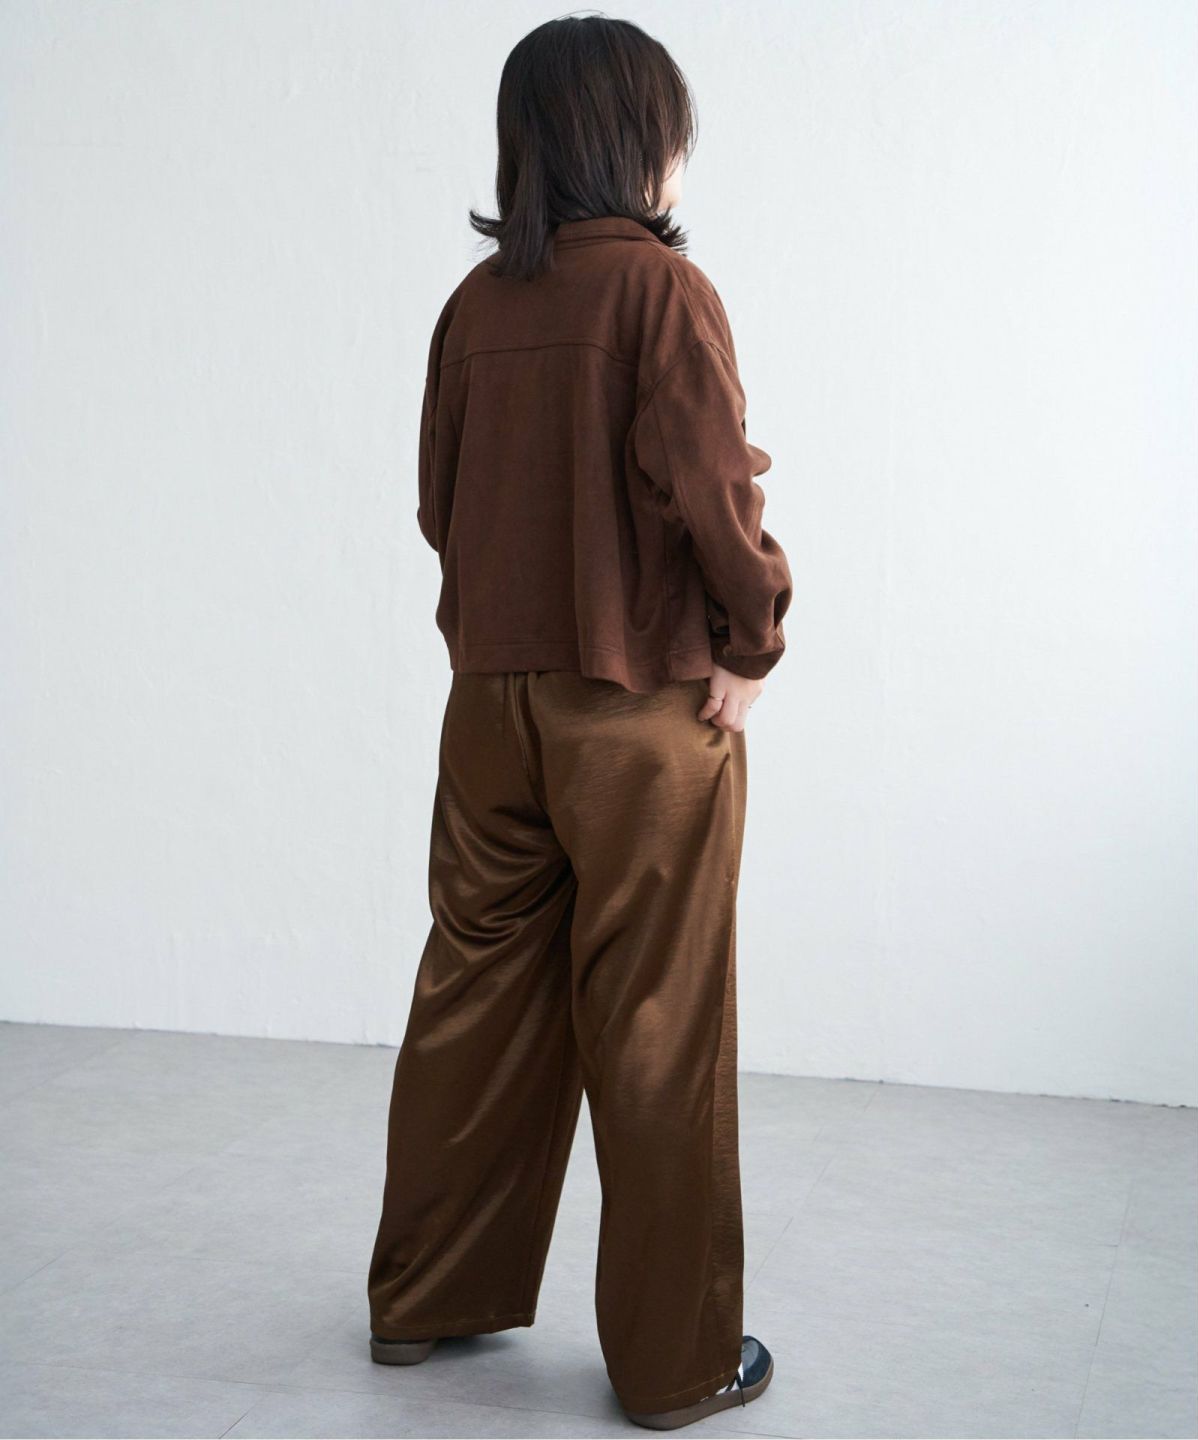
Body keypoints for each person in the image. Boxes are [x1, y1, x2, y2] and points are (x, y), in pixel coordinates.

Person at [366, 13, 792, 1431]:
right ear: (639, 140)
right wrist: (752, 639)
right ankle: (677, 1366)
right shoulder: (665, 294)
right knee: (659, 1018)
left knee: (472, 992)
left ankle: (420, 1300)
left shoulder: (474, 306)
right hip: (640, 708)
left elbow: (440, 505)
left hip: (491, 706)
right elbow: (714, 486)